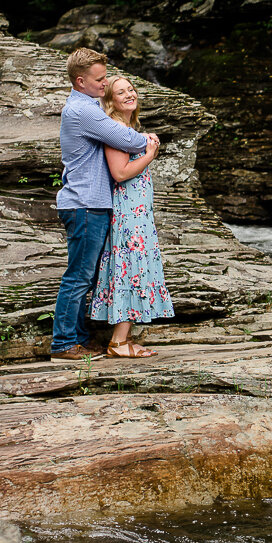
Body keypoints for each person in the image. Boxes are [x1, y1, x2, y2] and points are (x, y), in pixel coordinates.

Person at [51, 48, 153, 361]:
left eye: (105, 76)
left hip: (88, 204)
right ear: (80, 81)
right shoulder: (84, 110)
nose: (104, 83)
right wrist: (149, 143)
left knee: (87, 276)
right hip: (84, 205)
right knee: (79, 277)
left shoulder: (85, 105)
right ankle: (64, 344)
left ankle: (78, 338)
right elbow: (129, 140)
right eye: (99, 79)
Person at [89, 76, 175, 357]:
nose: (129, 94)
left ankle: (123, 339)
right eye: (121, 92)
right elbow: (120, 172)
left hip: (137, 212)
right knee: (129, 266)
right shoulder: (115, 129)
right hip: (128, 213)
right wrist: (150, 154)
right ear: (111, 101)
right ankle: (118, 342)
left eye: (131, 89)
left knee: (135, 266)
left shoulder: (127, 128)